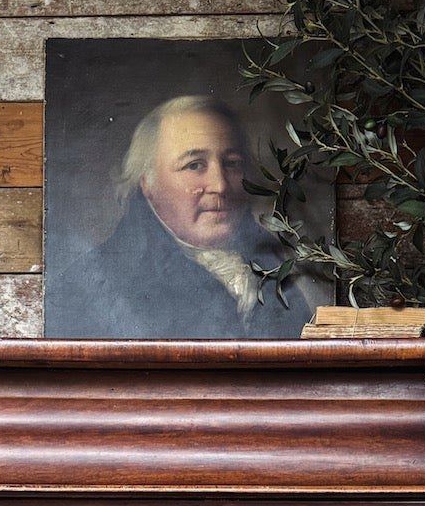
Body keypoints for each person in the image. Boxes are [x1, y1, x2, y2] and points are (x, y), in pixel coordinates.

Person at [46, 95, 314, 339]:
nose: (219, 184)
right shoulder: (88, 283)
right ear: (147, 182)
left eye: (232, 163)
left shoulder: (272, 264)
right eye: (194, 165)